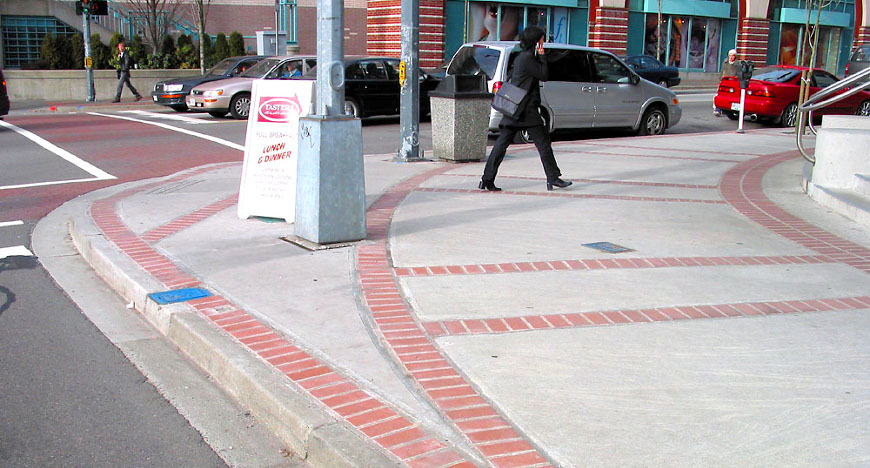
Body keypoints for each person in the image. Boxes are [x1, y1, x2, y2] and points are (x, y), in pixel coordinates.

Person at [479, 26, 571, 192]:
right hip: (525, 109)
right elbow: (543, 74)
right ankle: (553, 178)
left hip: (515, 108)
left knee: (501, 145)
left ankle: (486, 179)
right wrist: (542, 56)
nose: (544, 42)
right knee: (543, 144)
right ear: (536, 41)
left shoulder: (523, 57)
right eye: (542, 39)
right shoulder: (528, 58)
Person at [713, 49, 739, 116]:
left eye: (733, 56)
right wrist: (720, 80)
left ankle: (732, 111)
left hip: (733, 83)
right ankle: (717, 110)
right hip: (724, 82)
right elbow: (722, 72)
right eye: (730, 55)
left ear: (735, 56)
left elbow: (738, 74)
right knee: (720, 96)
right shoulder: (725, 62)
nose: (731, 57)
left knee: (731, 98)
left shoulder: (737, 64)